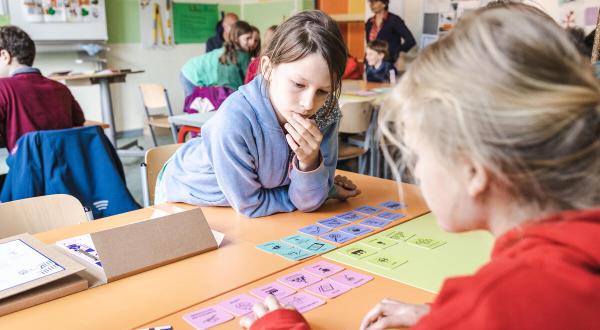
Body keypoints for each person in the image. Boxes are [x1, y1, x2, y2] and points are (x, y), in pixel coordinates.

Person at [242, 2, 600, 329]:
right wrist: (447, 314)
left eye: (418, 156)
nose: (417, 171)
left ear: (473, 170)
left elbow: (509, 310)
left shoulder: (501, 303)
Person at [156, 10, 361, 217]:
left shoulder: (326, 111)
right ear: (268, 68)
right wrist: (321, 190)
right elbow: (250, 205)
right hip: (186, 201)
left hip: (245, 206)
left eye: (323, 91)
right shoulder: (233, 121)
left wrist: (310, 164)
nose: (308, 104)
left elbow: (308, 203)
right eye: (298, 84)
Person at [0, 25, 85, 153]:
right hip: (66, 167)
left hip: (27, 169)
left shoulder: (3, 87)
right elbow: (78, 122)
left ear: (4, 56)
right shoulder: (61, 88)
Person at [180, 21, 253, 96]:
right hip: (191, 75)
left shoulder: (231, 51)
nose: (251, 42)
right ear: (236, 38)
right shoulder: (235, 55)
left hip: (190, 70)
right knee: (195, 105)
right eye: (247, 38)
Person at [366, 0, 415, 64]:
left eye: (375, 1)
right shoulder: (369, 22)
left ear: (384, 4)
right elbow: (369, 44)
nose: (372, 4)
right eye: (371, 2)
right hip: (371, 64)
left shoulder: (394, 20)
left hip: (388, 63)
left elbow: (410, 41)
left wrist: (395, 54)